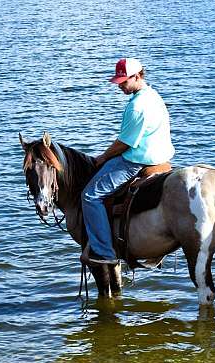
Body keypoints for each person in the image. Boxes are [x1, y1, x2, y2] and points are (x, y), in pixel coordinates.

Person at [81, 58, 175, 265]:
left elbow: (124, 143)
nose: (121, 86)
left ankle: (104, 252)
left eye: (124, 81)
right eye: (119, 82)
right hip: (162, 156)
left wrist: (103, 157)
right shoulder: (153, 95)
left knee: (90, 195)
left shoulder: (137, 106)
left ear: (138, 76)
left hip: (138, 161)